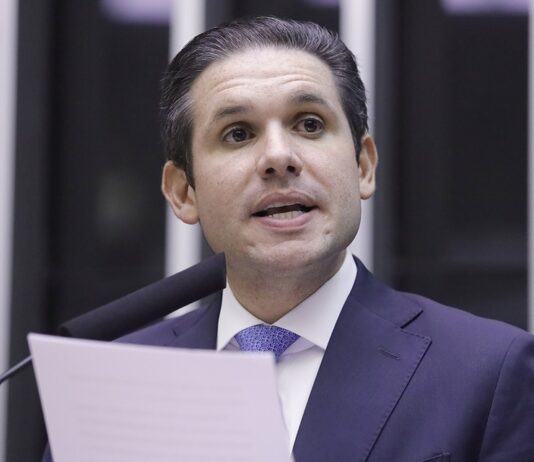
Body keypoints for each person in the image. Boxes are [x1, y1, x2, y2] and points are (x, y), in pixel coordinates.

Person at [43, 16, 534, 462]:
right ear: (183, 192)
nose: (279, 157)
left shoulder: (489, 370)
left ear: (363, 166)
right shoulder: (109, 386)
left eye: (309, 124)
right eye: (238, 134)